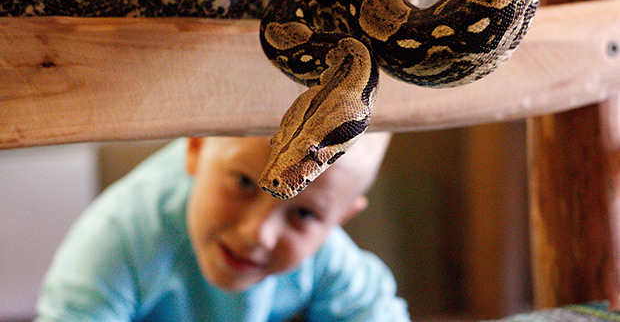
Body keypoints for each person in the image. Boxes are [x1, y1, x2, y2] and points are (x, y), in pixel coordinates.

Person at [35, 134, 410, 321]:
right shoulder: (123, 236)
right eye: (245, 184)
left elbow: (373, 310)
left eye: (304, 215)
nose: (258, 233)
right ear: (195, 148)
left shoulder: (325, 253)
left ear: (339, 220)